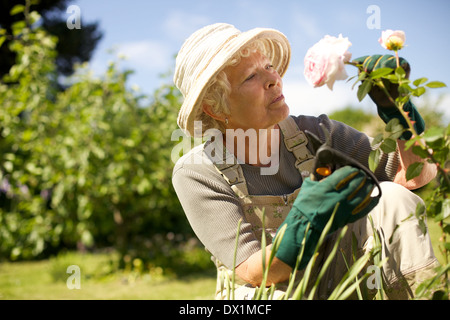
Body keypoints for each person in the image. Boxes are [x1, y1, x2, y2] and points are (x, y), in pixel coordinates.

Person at [171, 23, 439, 300]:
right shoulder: (198, 172)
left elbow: (416, 177)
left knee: (392, 197)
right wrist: (305, 218)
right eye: (251, 76)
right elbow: (254, 272)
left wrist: (398, 110)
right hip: (268, 294)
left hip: (342, 280)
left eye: (269, 66)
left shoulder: (316, 134)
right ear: (215, 105)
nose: (273, 79)